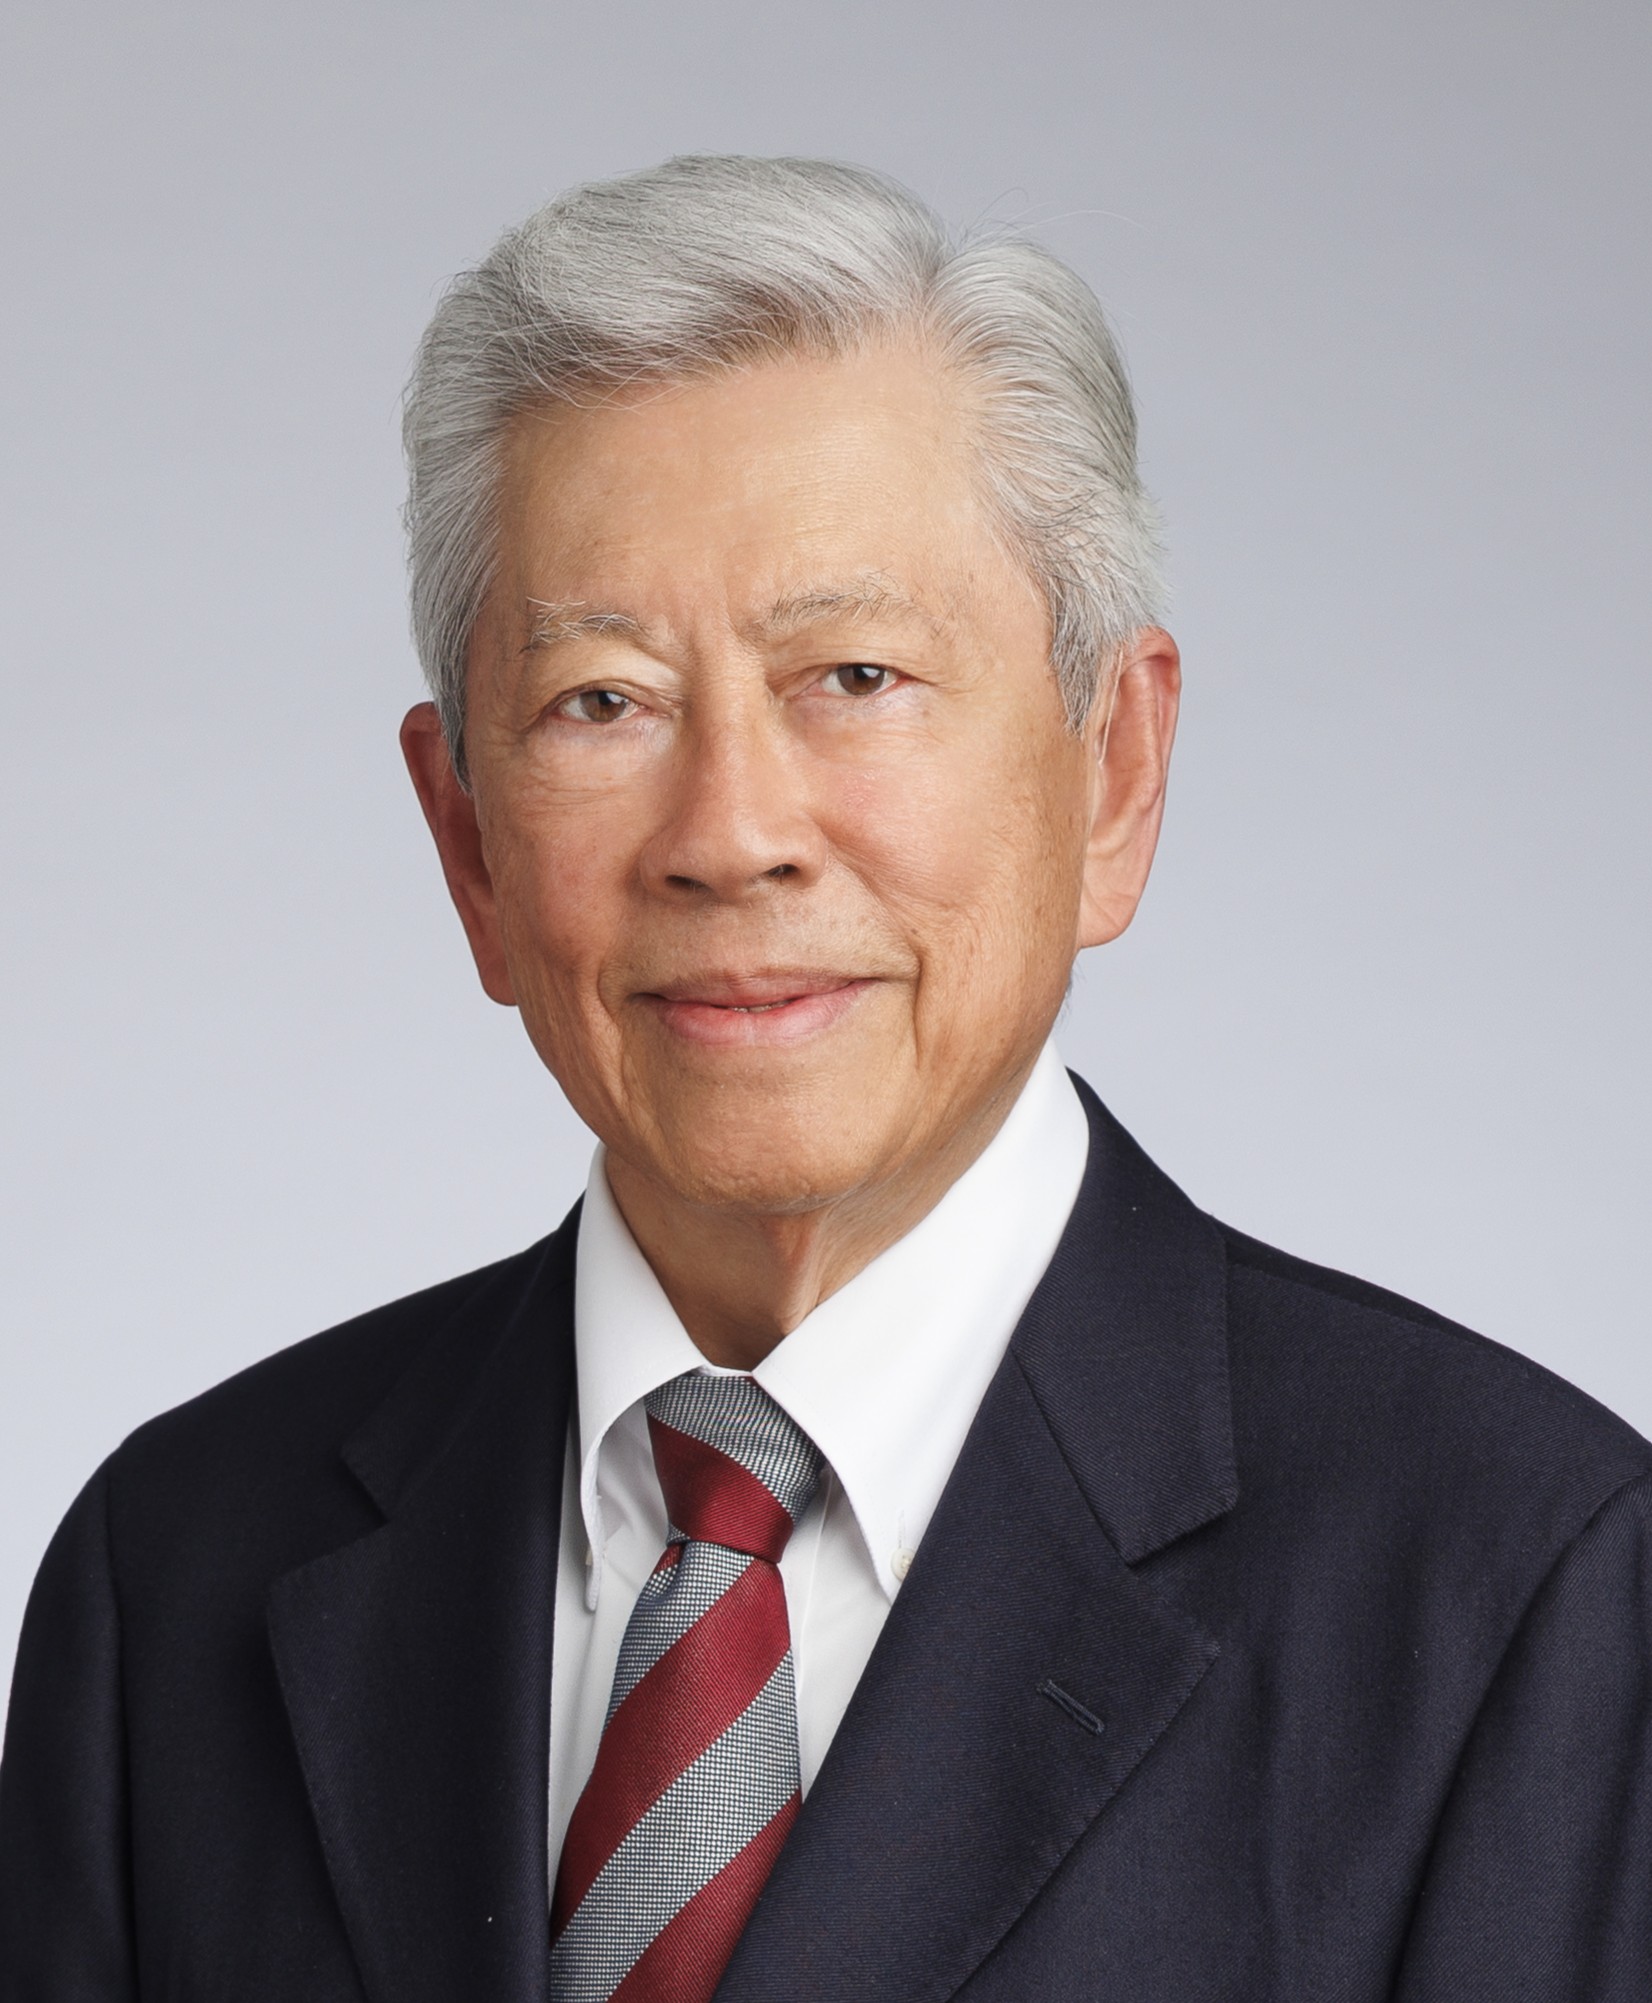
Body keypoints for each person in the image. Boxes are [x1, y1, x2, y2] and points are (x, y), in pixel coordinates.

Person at [2, 153, 1648, 2003]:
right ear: (465, 842)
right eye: (602, 701)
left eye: (854, 675)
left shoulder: (1526, 1589)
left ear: (1114, 772)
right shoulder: (180, 1571)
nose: (731, 834)